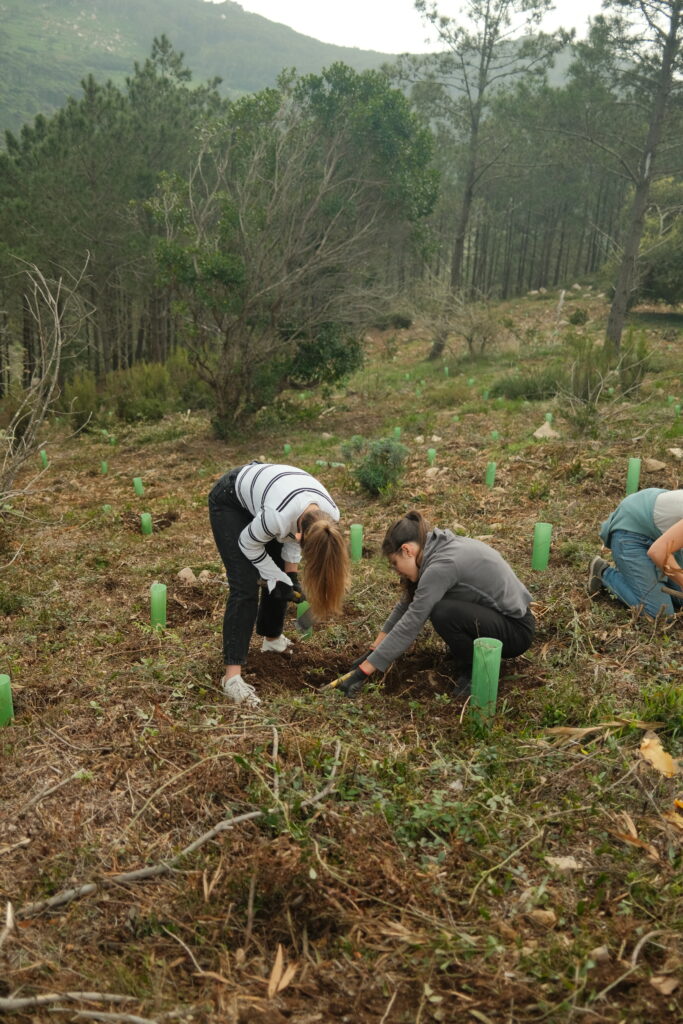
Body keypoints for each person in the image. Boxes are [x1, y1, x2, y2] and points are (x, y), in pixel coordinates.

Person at [327, 511, 535, 698]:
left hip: (515, 631)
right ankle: (469, 656)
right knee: (442, 608)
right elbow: (405, 606)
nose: (396, 571)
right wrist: (373, 650)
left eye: (394, 564)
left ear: (407, 550)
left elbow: (412, 622)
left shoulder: (441, 566)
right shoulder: (433, 548)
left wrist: (363, 672)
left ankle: (478, 671)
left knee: (442, 612)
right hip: (497, 620)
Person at [209, 461, 349, 706]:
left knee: (280, 572)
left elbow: (296, 540)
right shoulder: (278, 517)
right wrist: (275, 575)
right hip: (230, 499)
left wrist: (289, 577)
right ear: (298, 535)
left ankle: (272, 640)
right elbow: (248, 544)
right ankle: (231, 678)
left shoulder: (329, 520)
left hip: (272, 497)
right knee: (245, 586)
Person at [588, 487, 683, 618]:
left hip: (659, 535)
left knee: (680, 599)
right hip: (632, 530)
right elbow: (658, 552)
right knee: (660, 615)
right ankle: (604, 573)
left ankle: (640, 576)